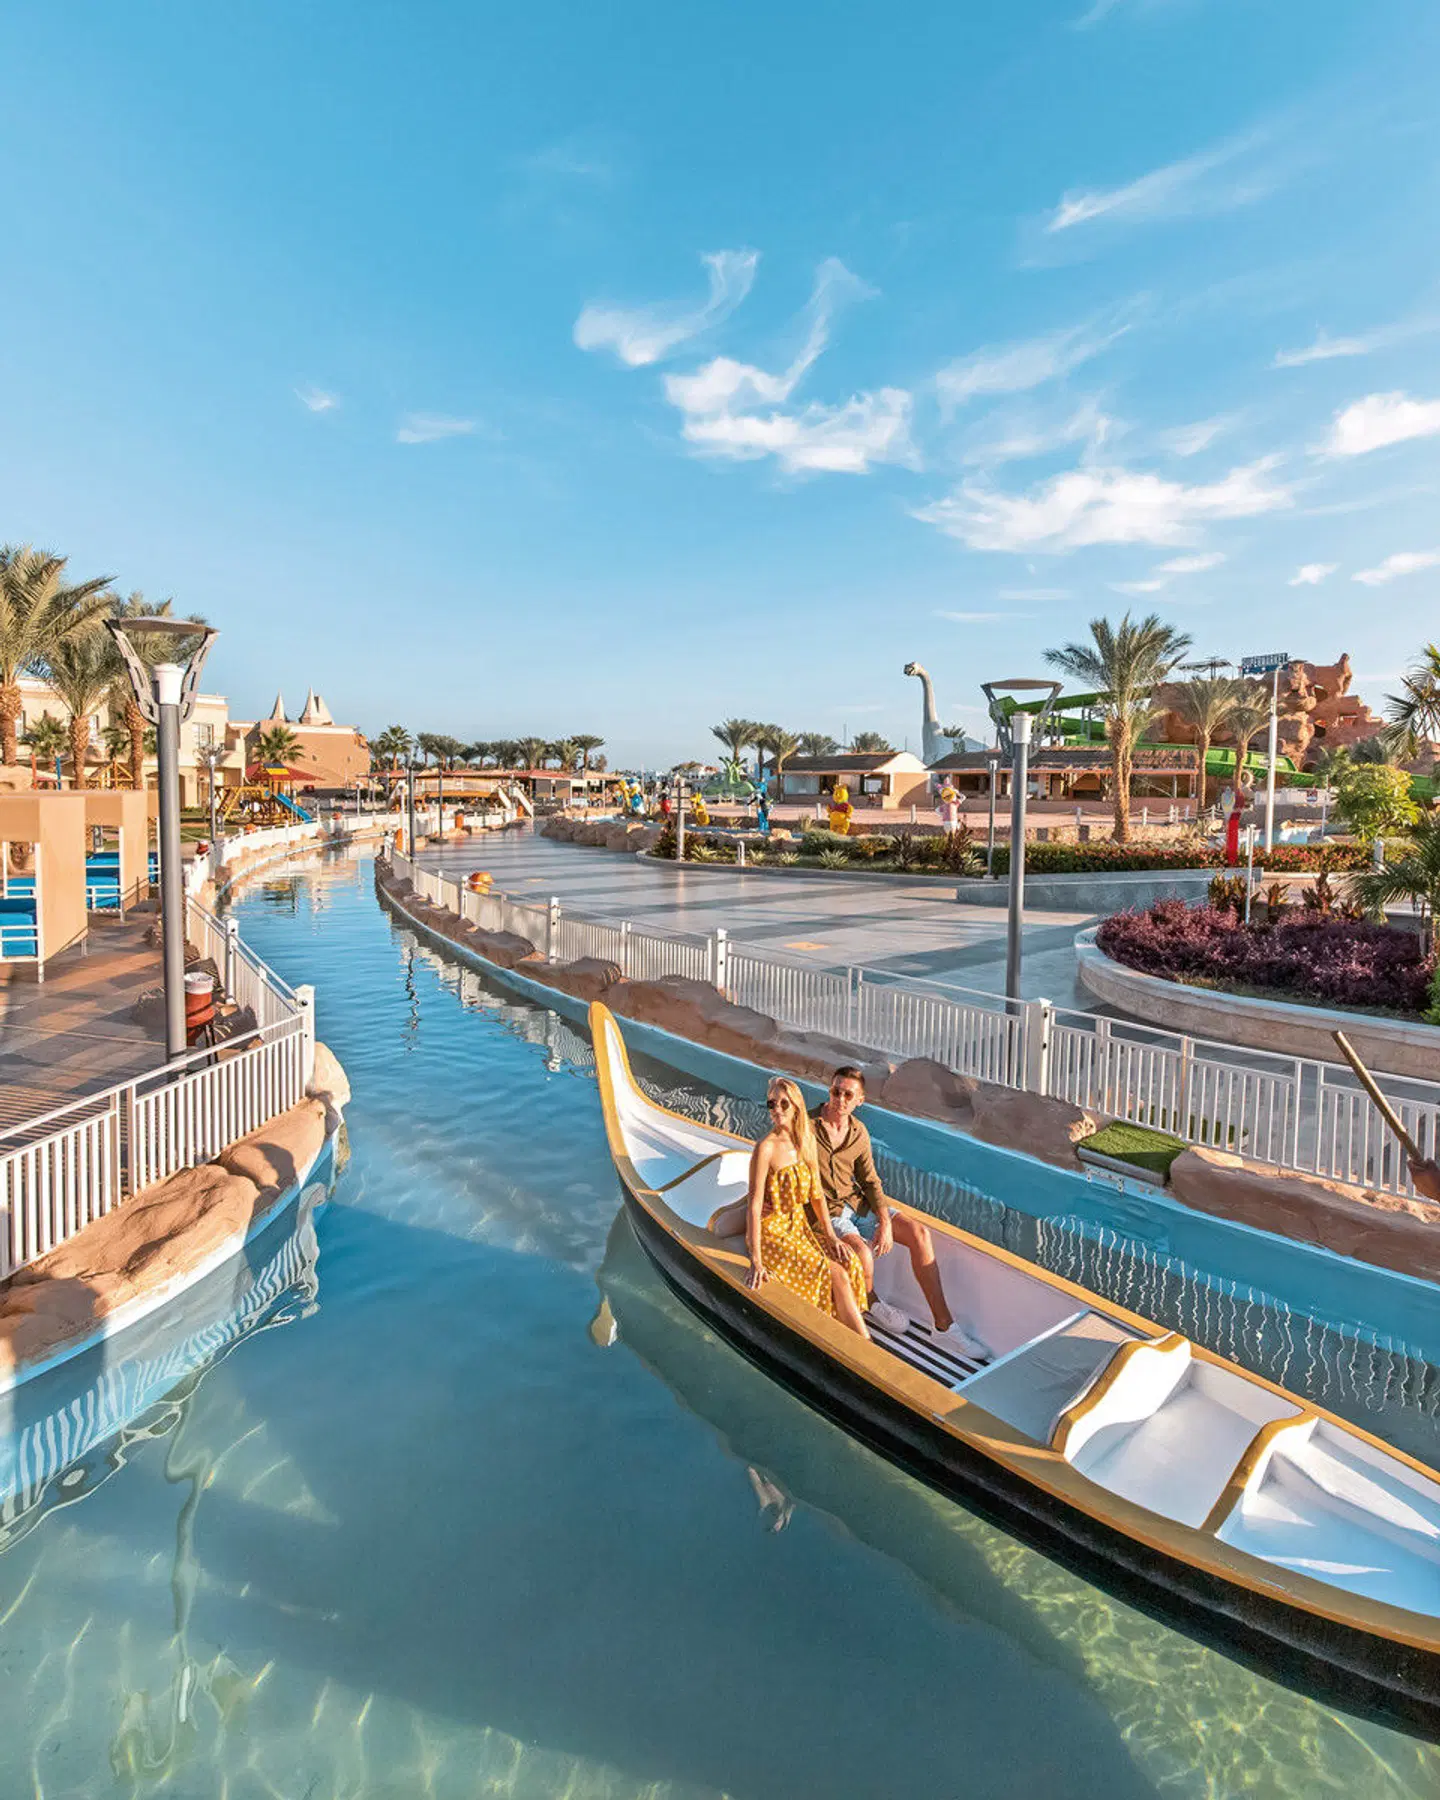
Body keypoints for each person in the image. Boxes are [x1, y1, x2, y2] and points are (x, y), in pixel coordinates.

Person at [811, 1066, 955, 1335]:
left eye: (848, 1095)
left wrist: (884, 1223)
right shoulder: (808, 1127)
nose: (840, 1099)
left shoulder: (858, 1132)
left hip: (856, 1204)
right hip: (827, 1212)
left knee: (918, 1233)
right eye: (836, 1091)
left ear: (860, 1100)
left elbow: (870, 1181)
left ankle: (945, 1327)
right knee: (861, 1252)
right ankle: (872, 1303)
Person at [724, 1077, 870, 1338]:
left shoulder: (806, 1141)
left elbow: (817, 1197)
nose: (777, 1109)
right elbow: (755, 1206)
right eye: (771, 1104)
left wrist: (831, 1237)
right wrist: (756, 1260)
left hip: (798, 1228)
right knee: (835, 1273)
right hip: (773, 1234)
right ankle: (864, 1344)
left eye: (784, 1103)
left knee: (850, 1262)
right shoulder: (765, 1148)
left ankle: (841, 1327)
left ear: (796, 1107)